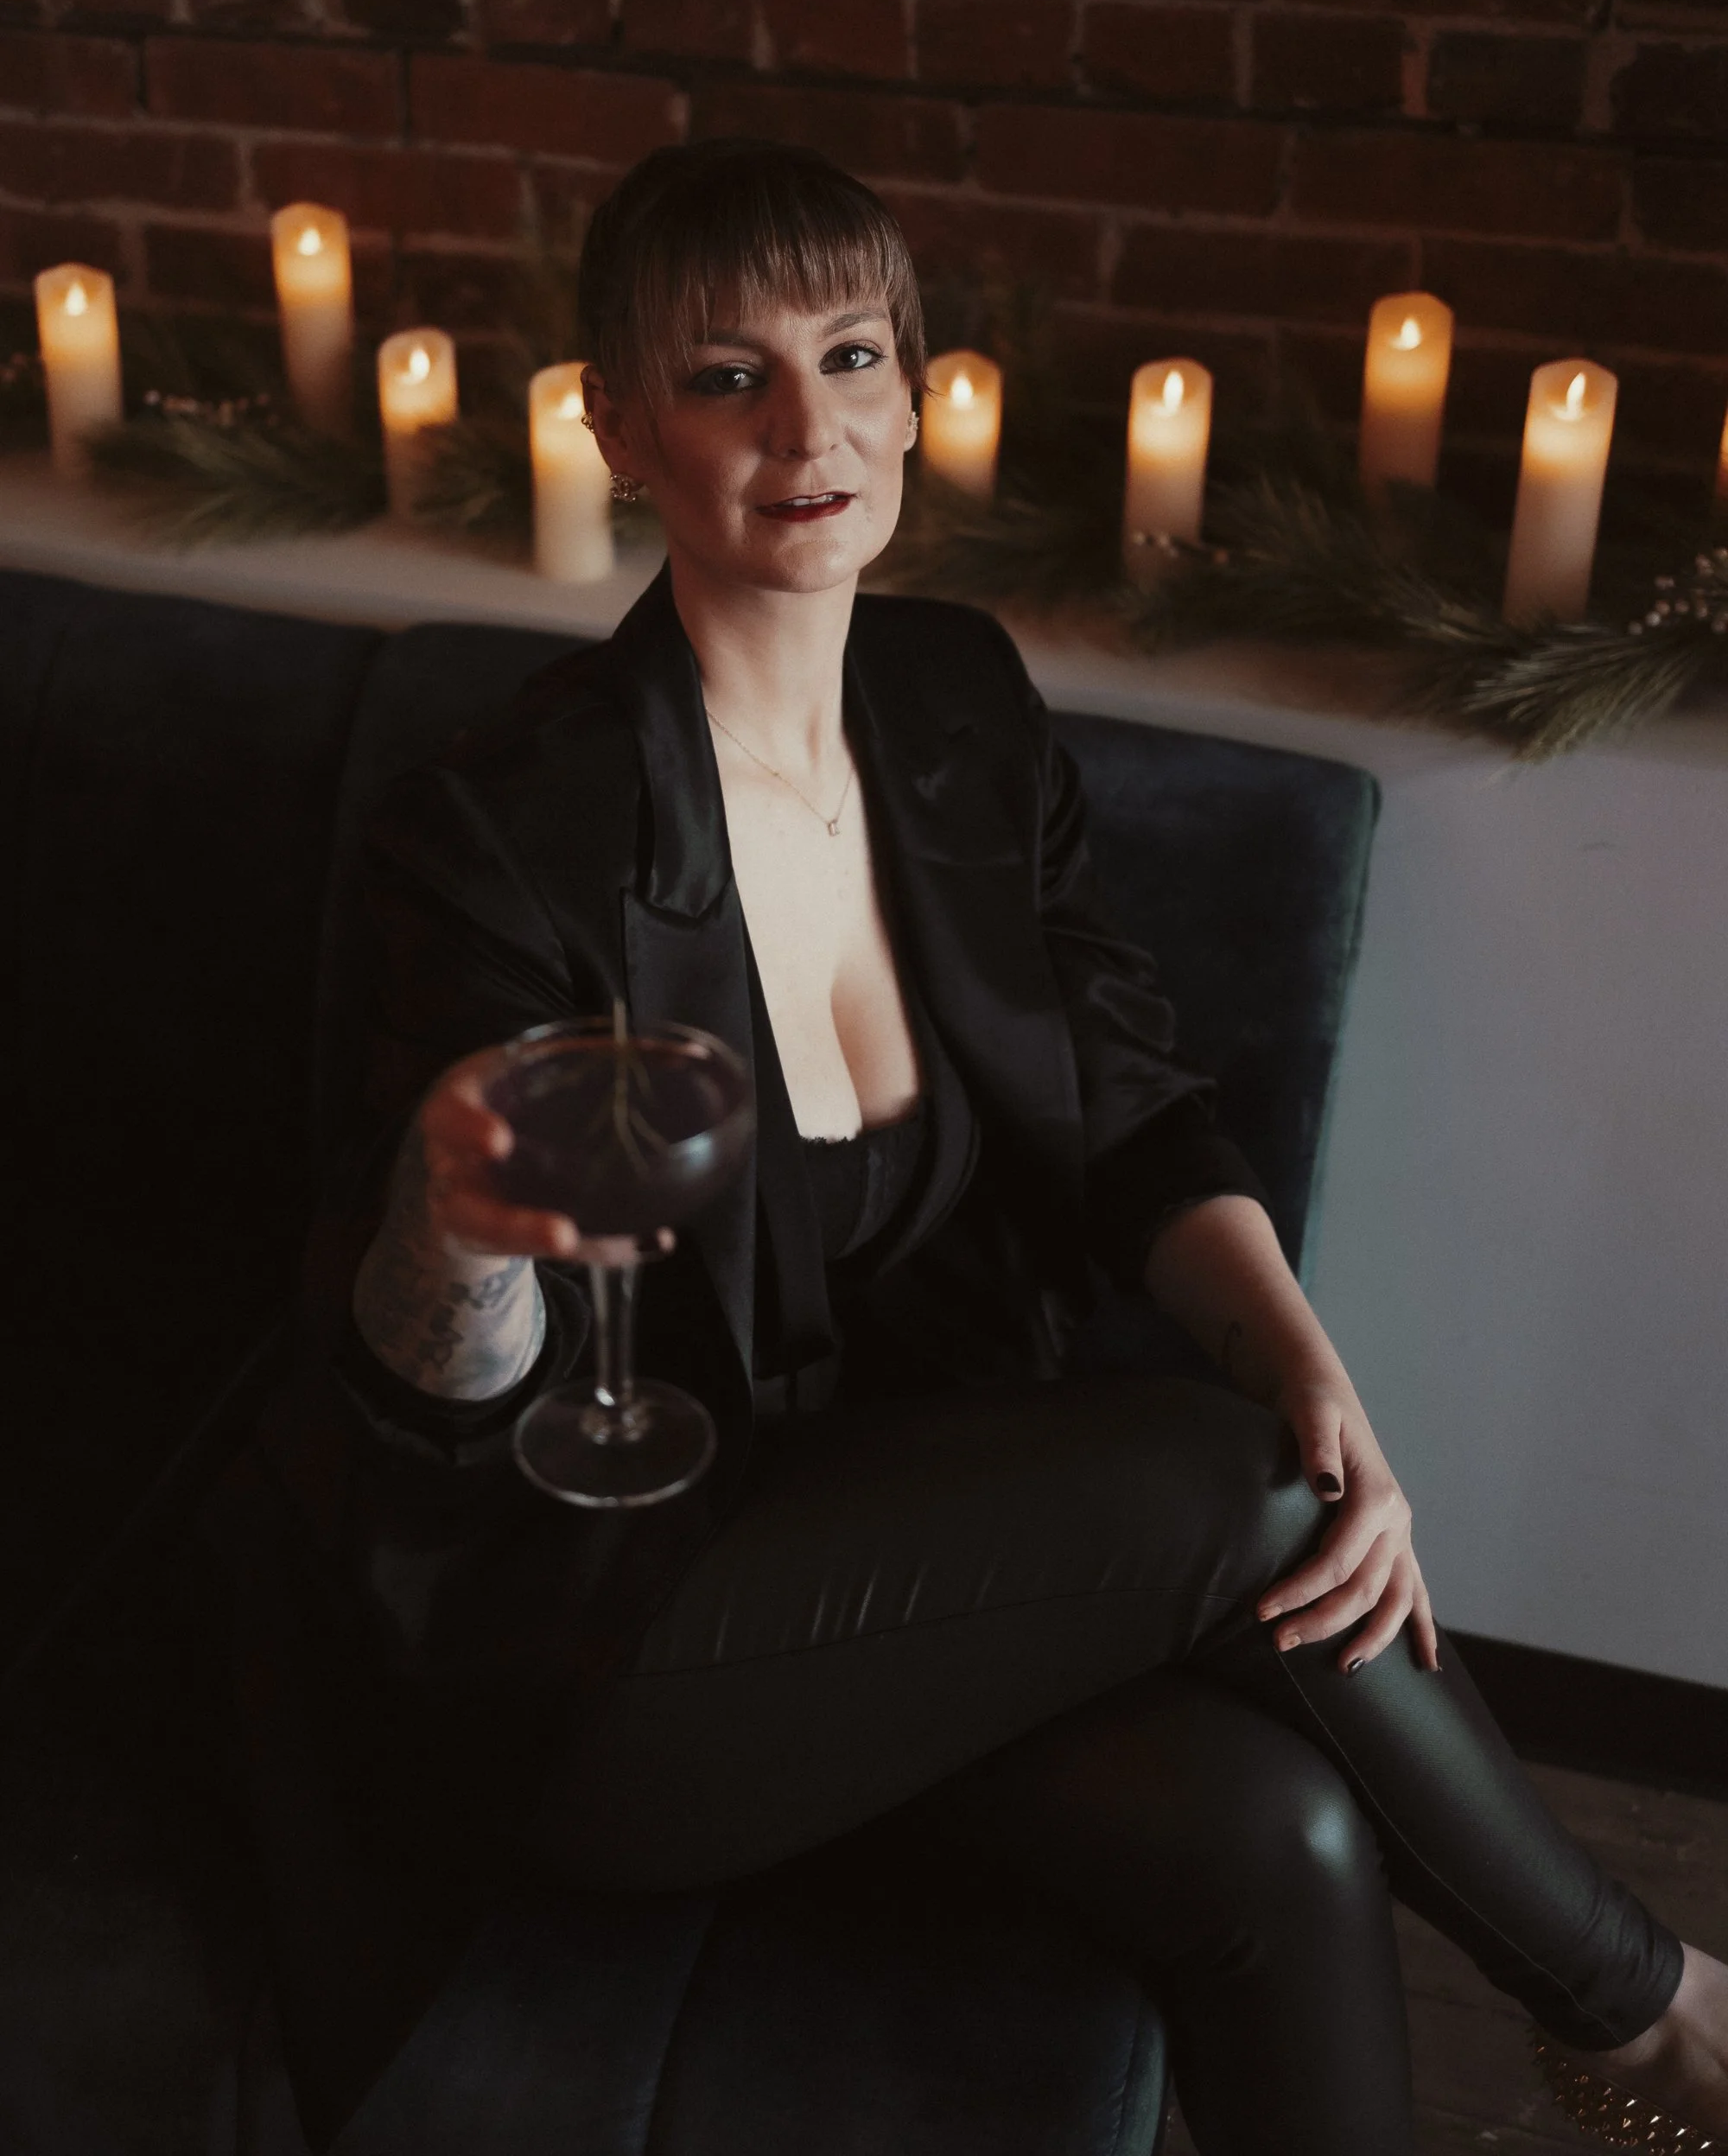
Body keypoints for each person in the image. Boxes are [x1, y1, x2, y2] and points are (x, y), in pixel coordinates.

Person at [294, 139, 1727, 2154]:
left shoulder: (956, 698)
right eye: (724, 376)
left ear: (911, 395)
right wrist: (456, 1225)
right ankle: (1655, 2018)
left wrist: (1312, 1368)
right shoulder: (507, 824)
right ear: (616, 426)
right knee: (1243, 1482)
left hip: (926, 1556)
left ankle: (1646, 2026)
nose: (805, 429)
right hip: (603, 1644)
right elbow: (432, 1402)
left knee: (1284, 1835)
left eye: (849, 357)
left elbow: (1134, 1103)